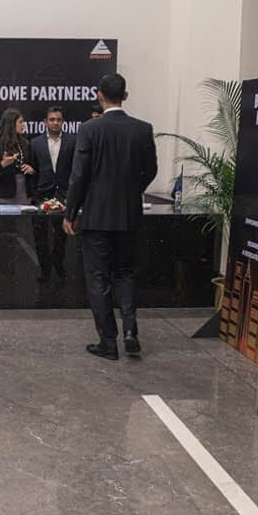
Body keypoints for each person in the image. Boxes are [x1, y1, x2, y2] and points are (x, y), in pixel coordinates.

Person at [64, 73, 158, 360]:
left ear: (99, 95)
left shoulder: (89, 129)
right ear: (125, 96)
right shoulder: (142, 129)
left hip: (96, 217)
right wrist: (131, 191)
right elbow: (151, 170)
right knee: (125, 274)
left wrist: (70, 212)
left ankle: (108, 342)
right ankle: (130, 331)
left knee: (98, 278)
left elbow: (79, 175)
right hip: (129, 215)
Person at [29, 105, 76, 281]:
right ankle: (45, 270)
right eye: (52, 119)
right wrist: (34, 192)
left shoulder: (73, 141)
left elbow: (76, 169)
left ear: (63, 122)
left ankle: (59, 264)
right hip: (42, 193)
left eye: (58, 120)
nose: (55, 123)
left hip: (64, 193)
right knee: (40, 235)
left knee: (61, 234)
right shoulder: (35, 143)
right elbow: (32, 170)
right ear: (45, 122)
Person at [0, 107, 35, 204]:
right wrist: (3, 164)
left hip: (23, 194)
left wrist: (31, 170)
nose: (23, 125)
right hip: (1, 195)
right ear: (11, 124)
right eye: (20, 122)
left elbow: (34, 168)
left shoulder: (25, 143)